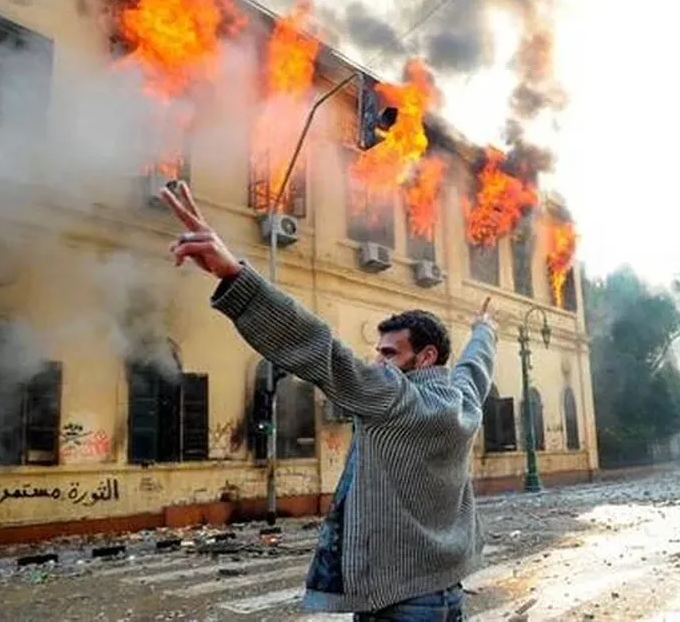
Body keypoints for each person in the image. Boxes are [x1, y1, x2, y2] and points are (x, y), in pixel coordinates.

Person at [160, 181, 497, 622]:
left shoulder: (395, 398)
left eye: (389, 353)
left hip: (398, 600)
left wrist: (235, 277)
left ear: (426, 356)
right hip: (447, 590)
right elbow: (476, 366)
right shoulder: (463, 400)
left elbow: (321, 349)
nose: (377, 361)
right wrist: (484, 329)